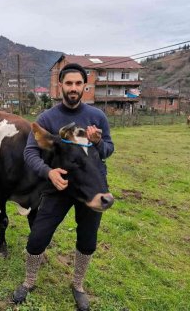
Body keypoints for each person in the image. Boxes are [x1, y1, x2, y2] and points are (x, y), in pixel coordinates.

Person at [12, 63, 114, 310]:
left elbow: (109, 149)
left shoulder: (97, 117)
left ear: (84, 86)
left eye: (78, 83)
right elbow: (30, 152)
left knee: (87, 240)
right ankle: (29, 280)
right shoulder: (47, 118)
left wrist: (99, 143)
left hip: (91, 187)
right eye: (68, 83)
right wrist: (49, 172)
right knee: (38, 237)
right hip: (59, 186)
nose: (73, 88)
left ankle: (78, 285)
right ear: (60, 86)